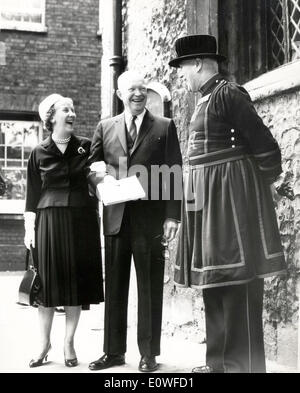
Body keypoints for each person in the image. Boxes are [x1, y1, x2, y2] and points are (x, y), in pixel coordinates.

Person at [169, 35, 293, 373]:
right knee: (214, 283)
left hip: (230, 207)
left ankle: (243, 367)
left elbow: (264, 146)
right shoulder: (204, 98)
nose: (181, 75)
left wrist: (256, 189)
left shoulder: (228, 93)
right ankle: (218, 364)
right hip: (208, 206)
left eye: (182, 67)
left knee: (237, 284)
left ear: (197, 63)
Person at [87, 71, 182, 372]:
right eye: (132, 89)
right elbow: (91, 168)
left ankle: (149, 353)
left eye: (142, 89)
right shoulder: (105, 127)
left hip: (150, 220)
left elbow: (174, 173)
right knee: (115, 285)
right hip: (115, 218)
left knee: (150, 286)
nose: (138, 94)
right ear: (120, 94)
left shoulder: (164, 127)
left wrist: (171, 215)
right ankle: (113, 352)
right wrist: (100, 178)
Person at [24, 94, 104, 368]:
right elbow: (32, 195)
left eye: (73, 108)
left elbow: (98, 180)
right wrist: (29, 230)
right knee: (47, 286)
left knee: (74, 284)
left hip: (81, 220)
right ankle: (43, 343)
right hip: (48, 223)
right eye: (65, 110)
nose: (72, 113)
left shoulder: (85, 146)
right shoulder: (39, 151)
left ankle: (69, 342)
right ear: (51, 117)